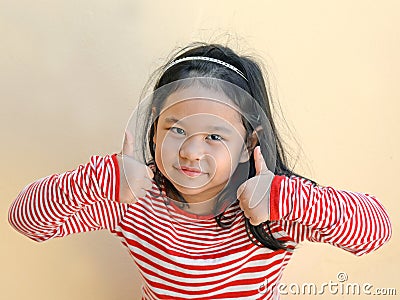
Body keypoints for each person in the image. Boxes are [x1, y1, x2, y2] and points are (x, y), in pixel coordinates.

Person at [8, 42, 392, 299]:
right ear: (154, 128)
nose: (191, 152)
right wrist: (101, 179)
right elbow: (26, 220)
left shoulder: (275, 208)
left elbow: (374, 231)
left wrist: (281, 198)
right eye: (176, 129)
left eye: (214, 135)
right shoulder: (133, 199)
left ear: (249, 144)